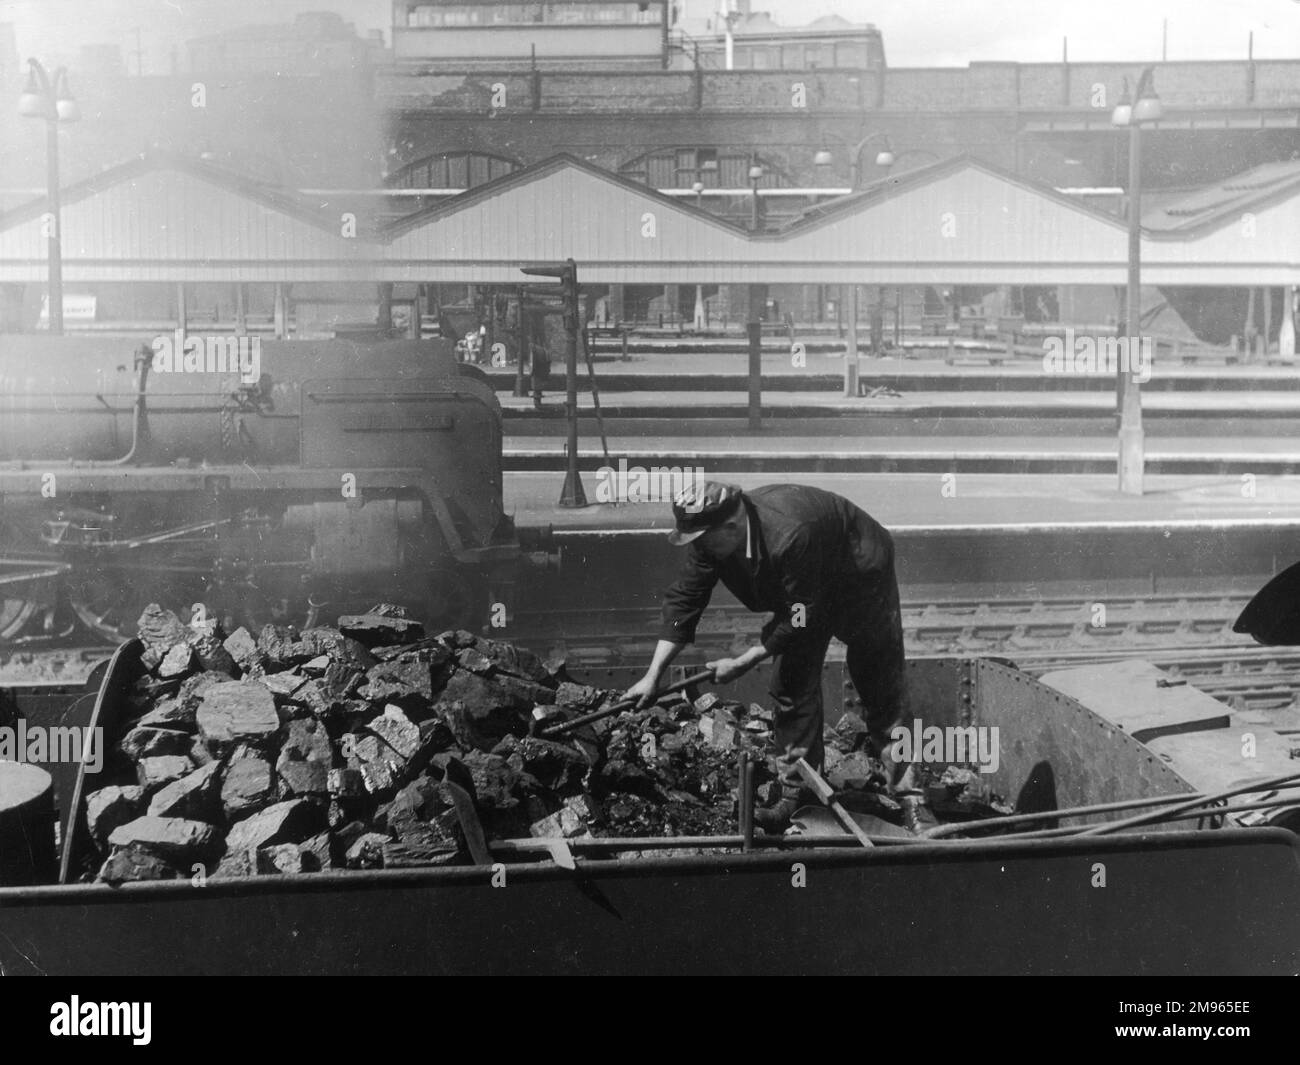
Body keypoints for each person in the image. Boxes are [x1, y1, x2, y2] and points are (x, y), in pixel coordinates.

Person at [624, 482, 907, 832]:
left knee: (878, 680)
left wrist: (746, 659)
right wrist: (653, 677)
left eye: (701, 538)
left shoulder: (790, 534)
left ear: (731, 528)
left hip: (858, 569)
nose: (697, 547)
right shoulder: (711, 538)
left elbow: (803, 615)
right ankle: (801, 792)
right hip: (803, 588)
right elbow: (685, 600)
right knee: (790, 683)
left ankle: (911, 796)